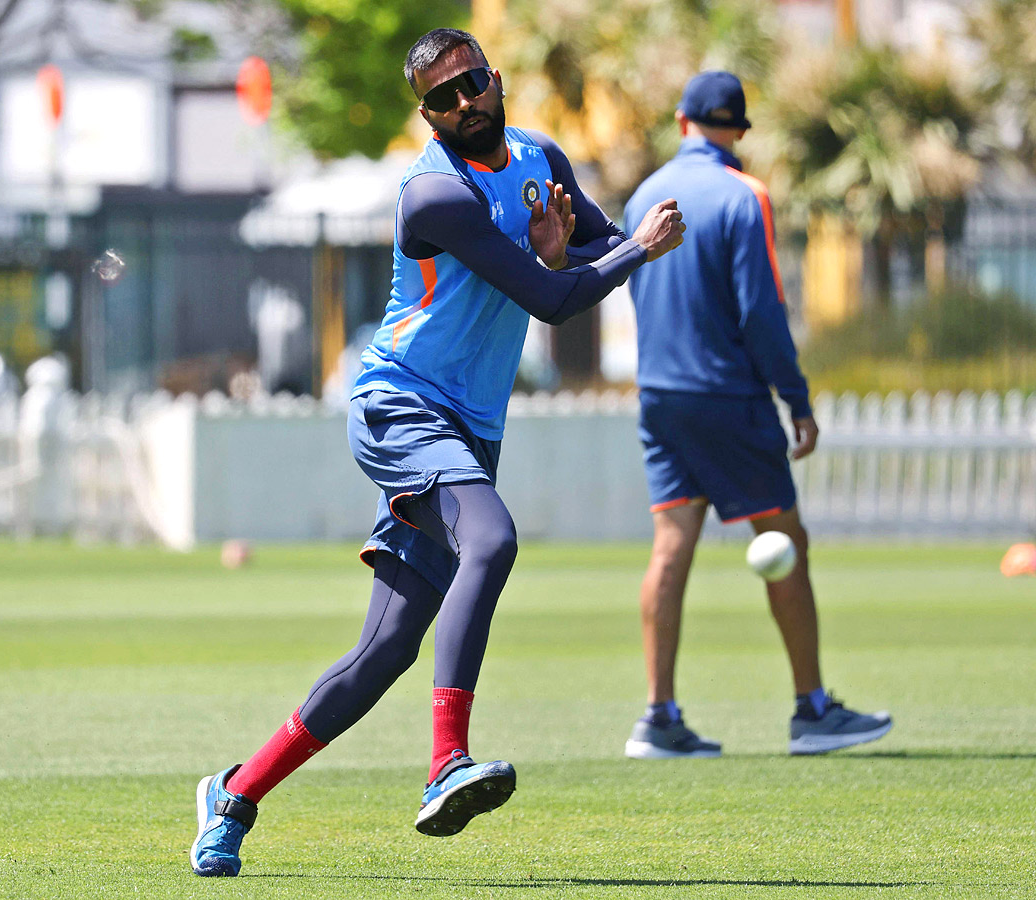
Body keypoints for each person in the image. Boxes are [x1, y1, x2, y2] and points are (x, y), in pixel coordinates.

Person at [189, 27, 686, 877]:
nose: (463, 105)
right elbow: (552, 298)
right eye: (442, 99)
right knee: (492, 541)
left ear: (494, 79)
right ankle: (445, 764)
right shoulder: (434, 197)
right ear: (427, 114)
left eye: (471, 86)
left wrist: (603, 251)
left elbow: (586, 255)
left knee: (384, 651)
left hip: (467, 430)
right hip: (401, 405)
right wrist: (629, 252)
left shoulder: (540, 157)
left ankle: (232, 796)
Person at [621, 71, 892, 760]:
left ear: (682, 122)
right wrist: (796, 400)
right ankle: (812, 709)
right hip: (728, 396)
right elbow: (762, 312)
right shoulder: (747, 196)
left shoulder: (642, 195)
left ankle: (658, 717)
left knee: (671, 547)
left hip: (659, 393)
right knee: (786, 538)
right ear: (738, 131)